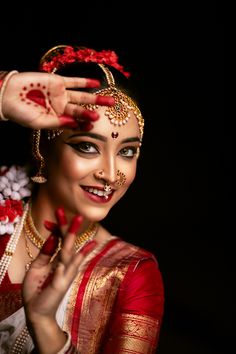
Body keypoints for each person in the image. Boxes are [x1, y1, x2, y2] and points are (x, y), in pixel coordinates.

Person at [0, 44, 164, 353]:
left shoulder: (131, 274)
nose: (111, 173)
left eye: (127, 151)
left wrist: (46, 326)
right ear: (43, 147)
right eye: (88, 146)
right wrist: (2, 95)